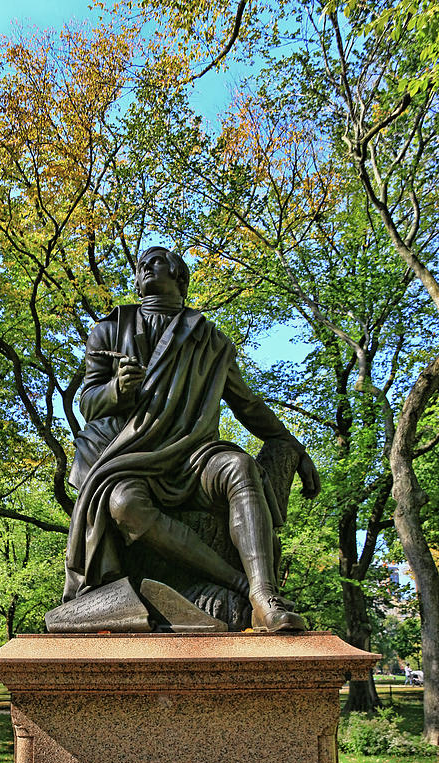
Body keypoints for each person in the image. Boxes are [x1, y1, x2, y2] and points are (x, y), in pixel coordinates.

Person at [62, 246, 320, 632]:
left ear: (180, 277)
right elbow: (89, 402)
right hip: (131, 456)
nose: (146, 266)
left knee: (239, 467)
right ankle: (240, 585)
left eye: (157, 261)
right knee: (122, 503)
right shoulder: (108, 330)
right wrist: (118, 388)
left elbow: (247, 404)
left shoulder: (211, 341)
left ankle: (265, 595)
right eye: (141, 264)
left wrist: (291, 443)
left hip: (192, 456)